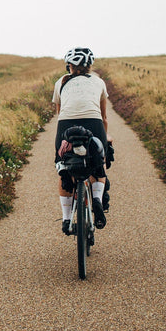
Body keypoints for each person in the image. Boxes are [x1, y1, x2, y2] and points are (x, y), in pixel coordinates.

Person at [52, 47, 112, 235]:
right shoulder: (99, 82)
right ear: (90, 66)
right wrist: (106, 136)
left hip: (66, 126)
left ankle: (67, 218)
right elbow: (103, 116)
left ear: (69, 66)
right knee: (98, 164)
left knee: (64, 168)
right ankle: (97, 199)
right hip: (94, 124)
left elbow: (59, 113)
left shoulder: (60, 82)